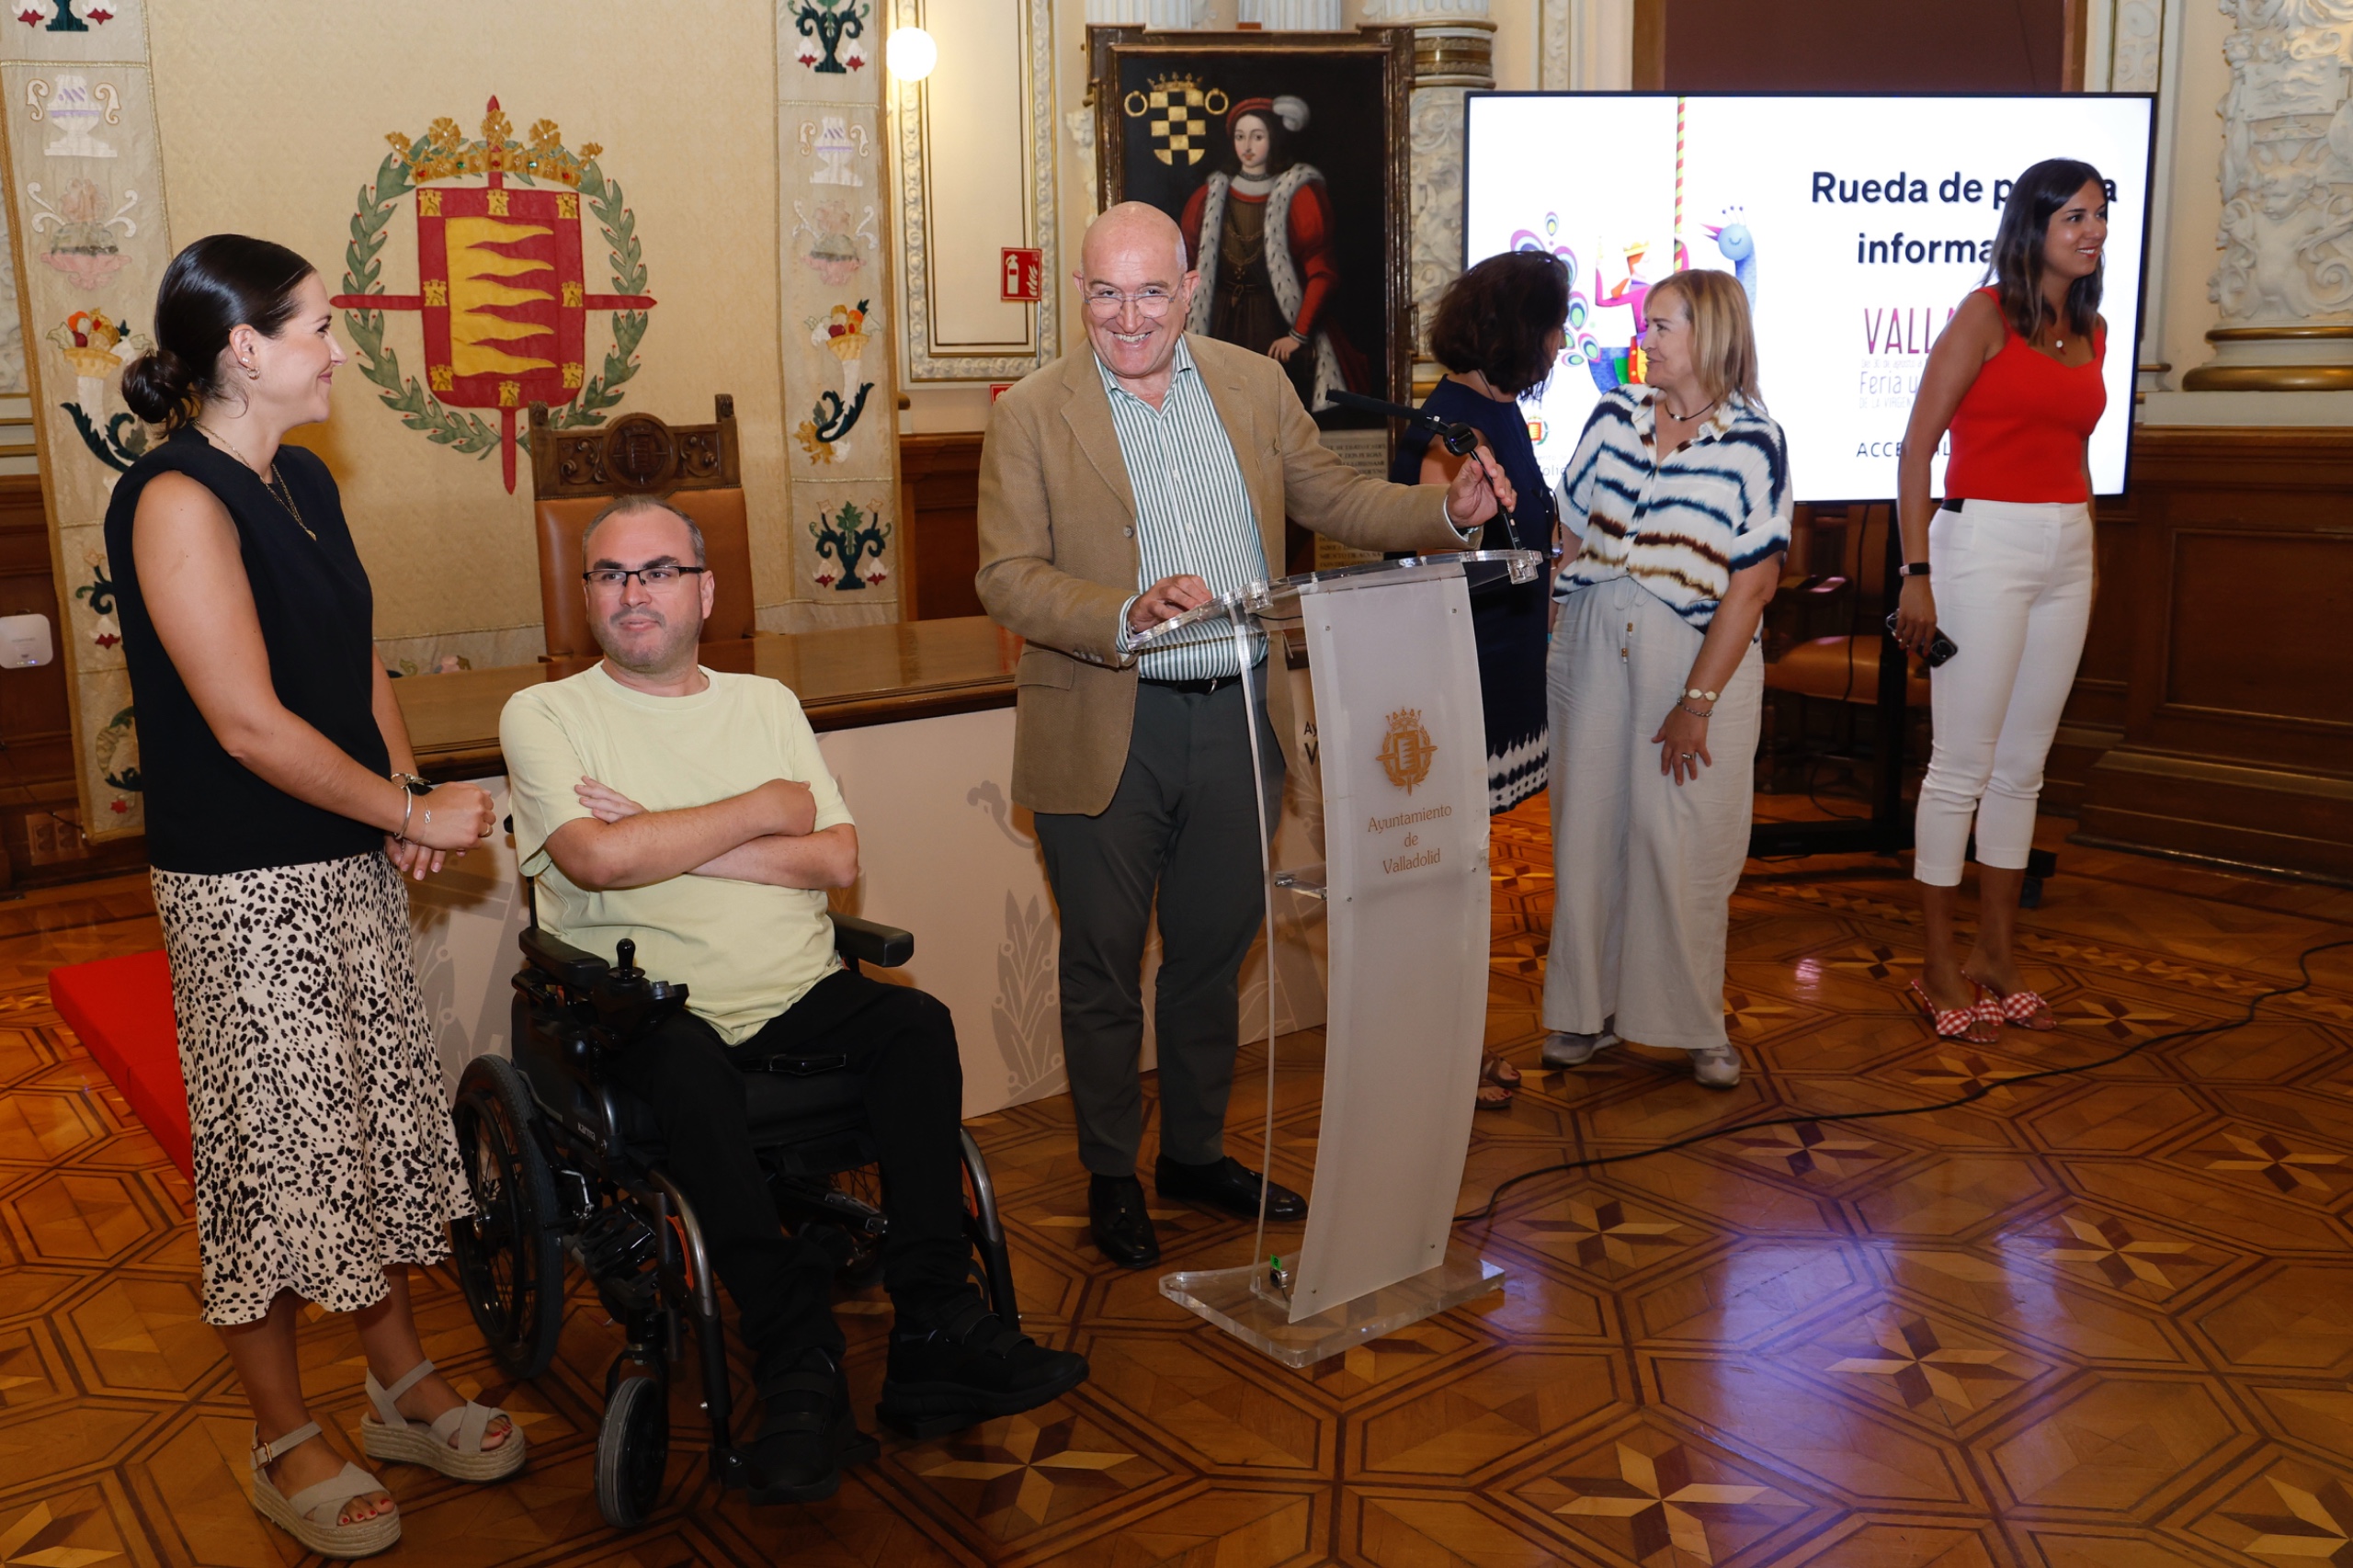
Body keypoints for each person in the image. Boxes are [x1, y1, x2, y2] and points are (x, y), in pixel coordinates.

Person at [500, 495, 1087, 1506]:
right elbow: (596, 861)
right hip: (646, 1009)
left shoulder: (765, 702)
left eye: (659, 571)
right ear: (585, 594)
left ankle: (935, 1325)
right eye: (610, 574)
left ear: (705, 591)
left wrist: (665, 830)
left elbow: (836, 858)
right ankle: (795, 1352)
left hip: (795, 988)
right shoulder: (546, 713)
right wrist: (764, 810)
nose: (634, 592)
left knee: (916, 1026)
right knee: (688, 1068)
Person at [976, 202, 1513, 1269]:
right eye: (1104, 293)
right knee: (1101, 966)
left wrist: (1446, 514)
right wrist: (1122, 609)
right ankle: (1110, 1172)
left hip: (1238, 720)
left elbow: (1338, 500)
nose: (1128, 316)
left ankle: (1192, 1153)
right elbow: (1005, 574)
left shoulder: (1254, 387)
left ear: (1187, 290)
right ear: (1079, 294)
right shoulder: (1031, 412)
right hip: (1106, 724)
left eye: (1149, 291)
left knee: (1210, 957)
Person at [106, 235, 515, 1560]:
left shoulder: (306, 479)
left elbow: (356, 659)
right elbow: (244, 723)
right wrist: (404, 813)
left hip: (340, 860)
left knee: (368, 1131)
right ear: (244, 348)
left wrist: (402, 788)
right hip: (244, 887)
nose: (341, 348)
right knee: (274, 1159)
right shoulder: (176, 497)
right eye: (321, 327)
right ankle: (281, 1434)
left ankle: (399, 1383)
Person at [1540, 268, 1788, 1091]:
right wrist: (1554, 625)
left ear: (1711, 333)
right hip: (1592, 641)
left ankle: (1691, 1025)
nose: (1644, 338)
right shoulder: (1614, 414)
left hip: (1696, 654)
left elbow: (1754, 584)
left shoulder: (1756, 439)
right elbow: (1570, 529)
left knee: (1686, 845)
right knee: (1585, 834)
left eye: (1661, 325)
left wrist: (1697, 701)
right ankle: (1584, 1012)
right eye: (1647, 323)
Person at [1892, 159, 2109, 1041]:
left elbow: (2076, 453)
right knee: (1962, 767)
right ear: (2033, 227)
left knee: (2024, 769)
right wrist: (1916, 573)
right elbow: (1915, 450)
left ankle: (1996, 954)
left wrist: (2085, 552)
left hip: (2068, 545)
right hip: (1981, 544)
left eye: (2098, 216)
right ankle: (1937, 964)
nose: (2092, 232)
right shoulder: (1983, 315)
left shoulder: (2091, 328)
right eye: (2074, 218)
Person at [1393, 249, 1570, 1110]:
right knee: (1443, 877)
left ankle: (1458, 1042)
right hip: (1456, 682)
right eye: (1553, 327)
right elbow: (1435, 561)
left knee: (1466, 871)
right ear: (1518, 330)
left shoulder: (1496, 411)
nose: (1560, 343)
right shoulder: (1450, 424)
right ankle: (1441, 1052)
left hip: (1499, 670)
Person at [1178, 95, 1369, 412]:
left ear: (1273, 139)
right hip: (1220, 319)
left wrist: (1298, 335)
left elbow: (1323, 275)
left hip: (1274, 321)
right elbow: (1183, 263)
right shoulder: (1209, 196)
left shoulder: (1299, 194)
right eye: (1240, 137)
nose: (1247, 146)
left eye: (1257, 136)